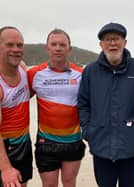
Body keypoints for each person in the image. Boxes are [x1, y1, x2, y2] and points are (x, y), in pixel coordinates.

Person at [78, 22, 134, 187]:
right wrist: (88, 131)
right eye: (108, 40)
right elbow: (83, 104)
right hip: (101, 146)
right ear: (101, 44)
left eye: (116, 39)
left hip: (132, 146)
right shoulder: (90, 71)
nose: (112, 43)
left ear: (124, 42)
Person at [27, 28, 85, 187]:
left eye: (62, 44)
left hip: (73, 141)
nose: (58, 48)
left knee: (69, 183)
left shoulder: (81, 74)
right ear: (47, 48)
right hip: (46, 142)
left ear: (69, 48)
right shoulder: (34, 74)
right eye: (54, 44)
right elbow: (17, 99)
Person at [0, 26, 32, 187]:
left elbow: (24, 95)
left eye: (20, 45)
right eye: (10, 45)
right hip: (4, 149)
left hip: (23, 142)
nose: (16, 49)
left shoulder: (22, 68)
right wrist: (5, 168)